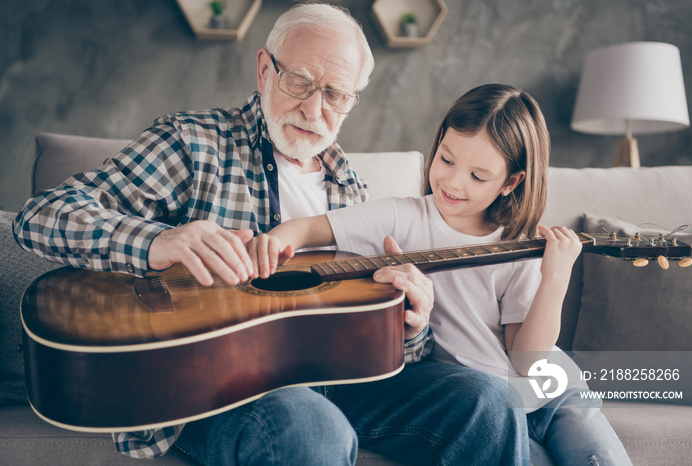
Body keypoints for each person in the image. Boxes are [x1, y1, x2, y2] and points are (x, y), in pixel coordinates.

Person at [13, 4, 529, 466]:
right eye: (300, 82)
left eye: (334, 93)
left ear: (352, 100)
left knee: (489, 401)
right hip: (208, 382)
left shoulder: (350, 186)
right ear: (264, 69)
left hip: (331, 382)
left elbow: (367, 345)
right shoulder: (193, 143)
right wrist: (156, 243)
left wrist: (411, 327)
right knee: (307, 425)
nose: (313, 108)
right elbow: (42, 214)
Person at [248, 83, 633, 465]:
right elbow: (310, 228)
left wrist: (556, 277)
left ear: (511, 182)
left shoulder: (519, 244)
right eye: (447, 160)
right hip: (486, 403)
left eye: (478, 176)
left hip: (553, 396)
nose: (453, 182)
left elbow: (528, 360)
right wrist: (273, 243)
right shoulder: (402, 216)